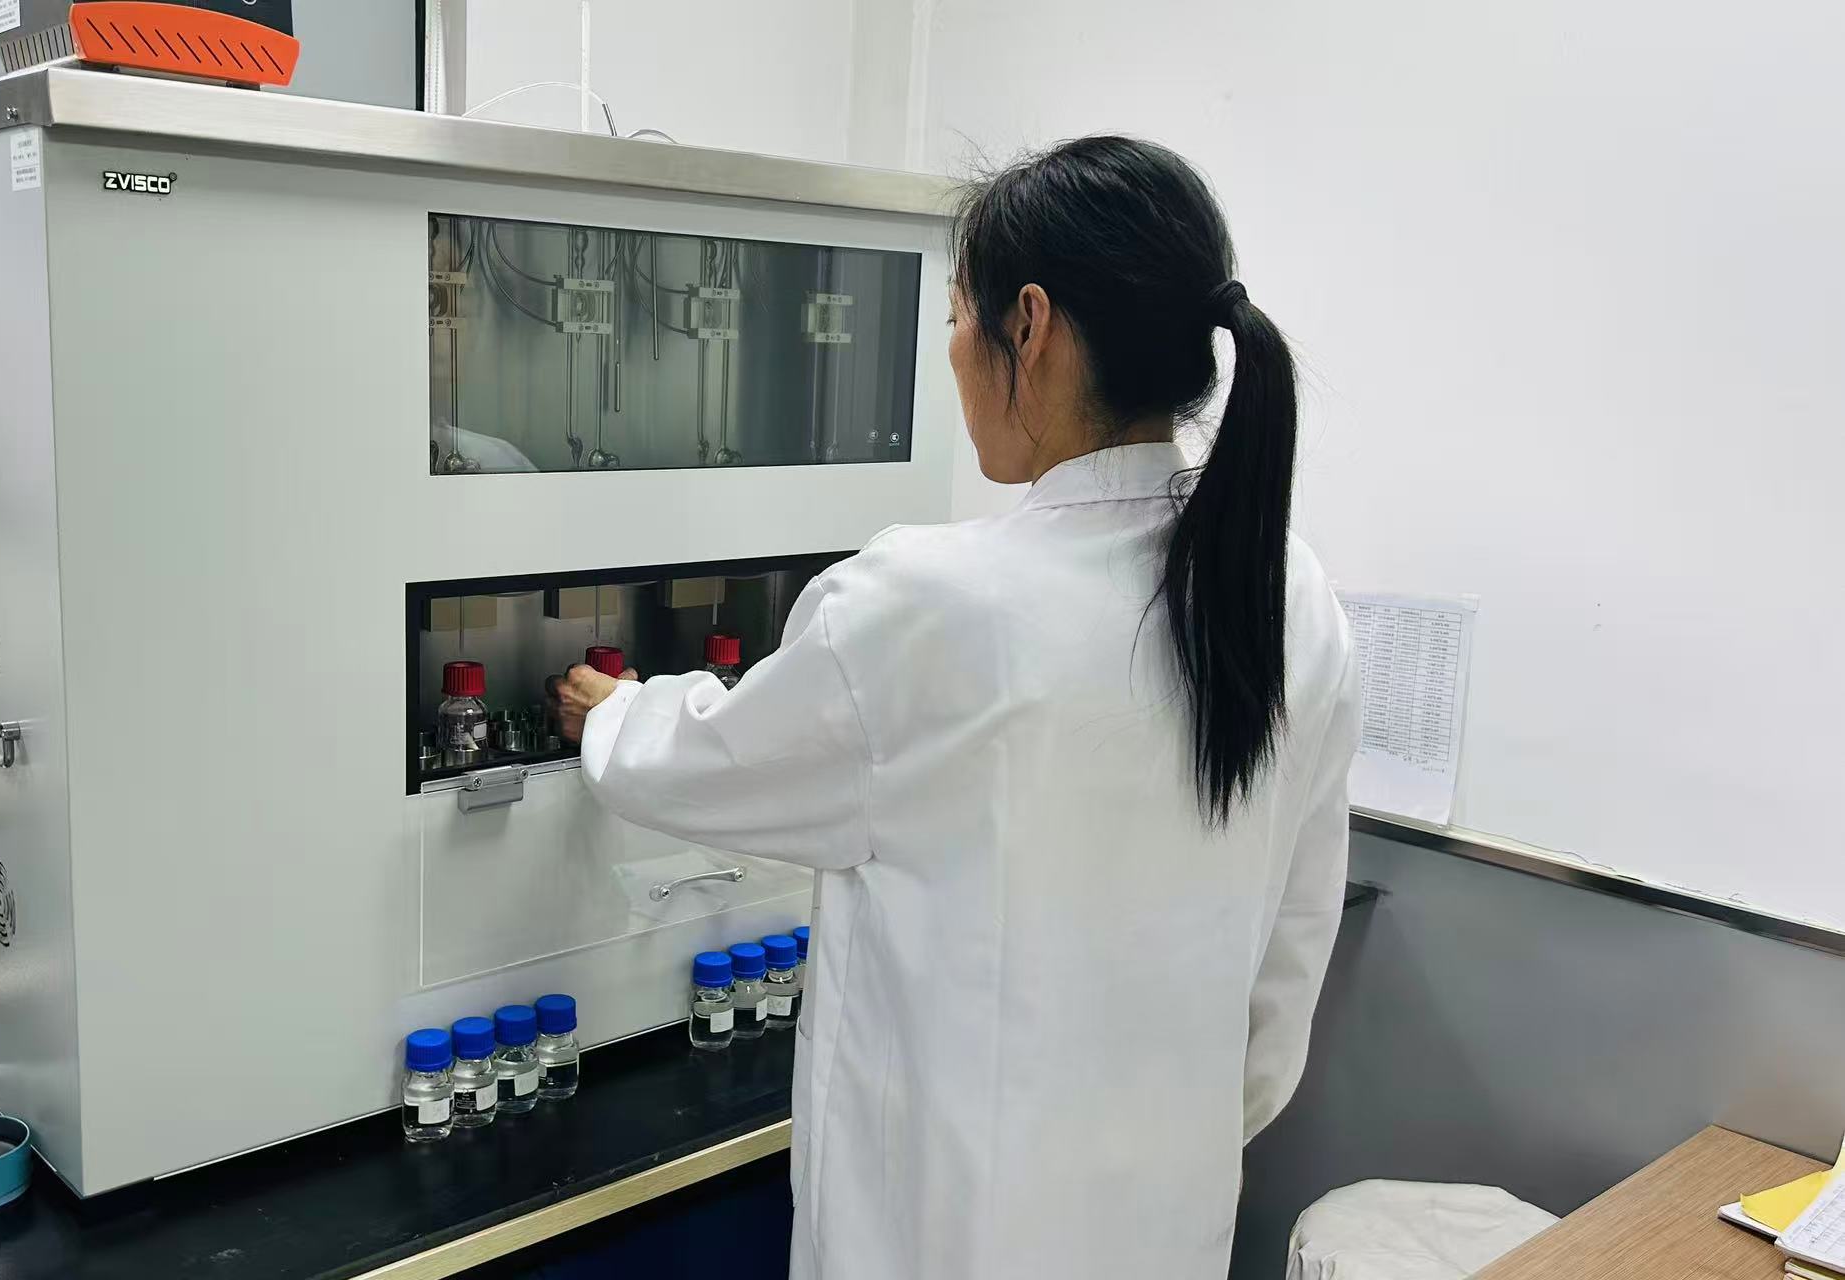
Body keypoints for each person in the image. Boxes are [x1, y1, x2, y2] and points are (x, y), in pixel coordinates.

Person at [554, 136, 1359, 1280]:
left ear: (1028, 325)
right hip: (1159, 1224)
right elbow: (1289, 954)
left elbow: (707, 765)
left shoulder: (928, 603)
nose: (950, 352)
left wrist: (616, 711)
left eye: (952, 317)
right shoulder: (1289, 590)